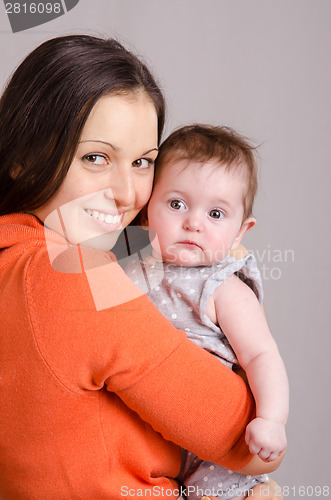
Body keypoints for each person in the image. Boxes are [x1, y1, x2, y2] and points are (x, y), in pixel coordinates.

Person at [0, 35, 283, 499]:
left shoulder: (14, 257)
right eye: (95, 157)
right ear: (23, 156)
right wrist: (234, 296)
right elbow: (247, 444)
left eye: (141, 162)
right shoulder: (73, 274)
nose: (127, 192)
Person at [125, 125, 289, 499]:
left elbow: (262, 355)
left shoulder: (223, 288)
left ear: (239, 232)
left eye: (216, 213)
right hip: (150, 439)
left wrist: (271, 420)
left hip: (213, 450)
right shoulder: (134, 263)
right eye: (177, 204)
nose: (193, 223)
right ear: (147, 211)